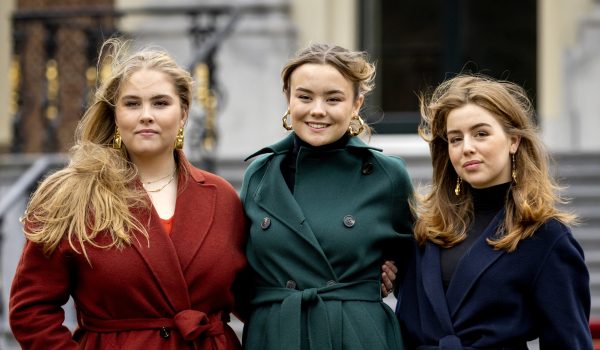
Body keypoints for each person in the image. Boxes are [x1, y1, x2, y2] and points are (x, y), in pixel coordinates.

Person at [9, 38, 247, 349]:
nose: (146, 114)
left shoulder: (221, 195)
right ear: (116, 115)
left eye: (160, 103)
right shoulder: (73, 195)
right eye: (132, 103)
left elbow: (252, 296)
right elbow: (31, 310)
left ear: (184, 113)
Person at [396, 74, 593, 349]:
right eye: (455, 139)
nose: (467, 148)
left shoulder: (546, 237)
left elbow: (569, 342)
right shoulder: (426, 232)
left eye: (481, 134)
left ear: (513, 141)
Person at [240, 43, 414, 350]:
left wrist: (392, 272)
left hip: (356, 335)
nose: (317, 110)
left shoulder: (386, 175)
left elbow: (415, 270)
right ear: (288, 98)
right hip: (277, 334)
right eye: (304, 97)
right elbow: (238, 268)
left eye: (333, 99)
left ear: (357, 104)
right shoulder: (260, 174)